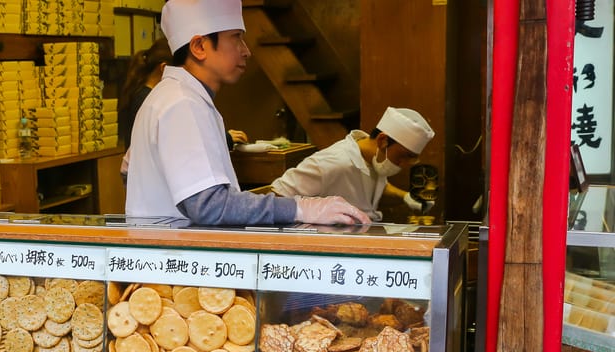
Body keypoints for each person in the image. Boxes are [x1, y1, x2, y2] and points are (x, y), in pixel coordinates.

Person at [125, 0, 368, 227]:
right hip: (174, 261)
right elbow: (209, 206)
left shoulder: (170, 95)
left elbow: (127, 170)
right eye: (236, 38)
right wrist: (301, 208)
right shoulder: (181, 102)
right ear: (199, 46)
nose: (246, 51)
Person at [270, 107, 436, 221]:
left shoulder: (375, 160)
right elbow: (277, 196)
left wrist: (406, 197)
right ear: (383, 140)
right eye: (403, 156)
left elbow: (376, 187)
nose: (404, 164)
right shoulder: (332, 163)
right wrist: (315, 214)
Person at [119, 38, 248, 150]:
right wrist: (225, 138)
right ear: (164, 69)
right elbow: (181, 140)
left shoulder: (150, 97)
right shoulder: (150, 101)